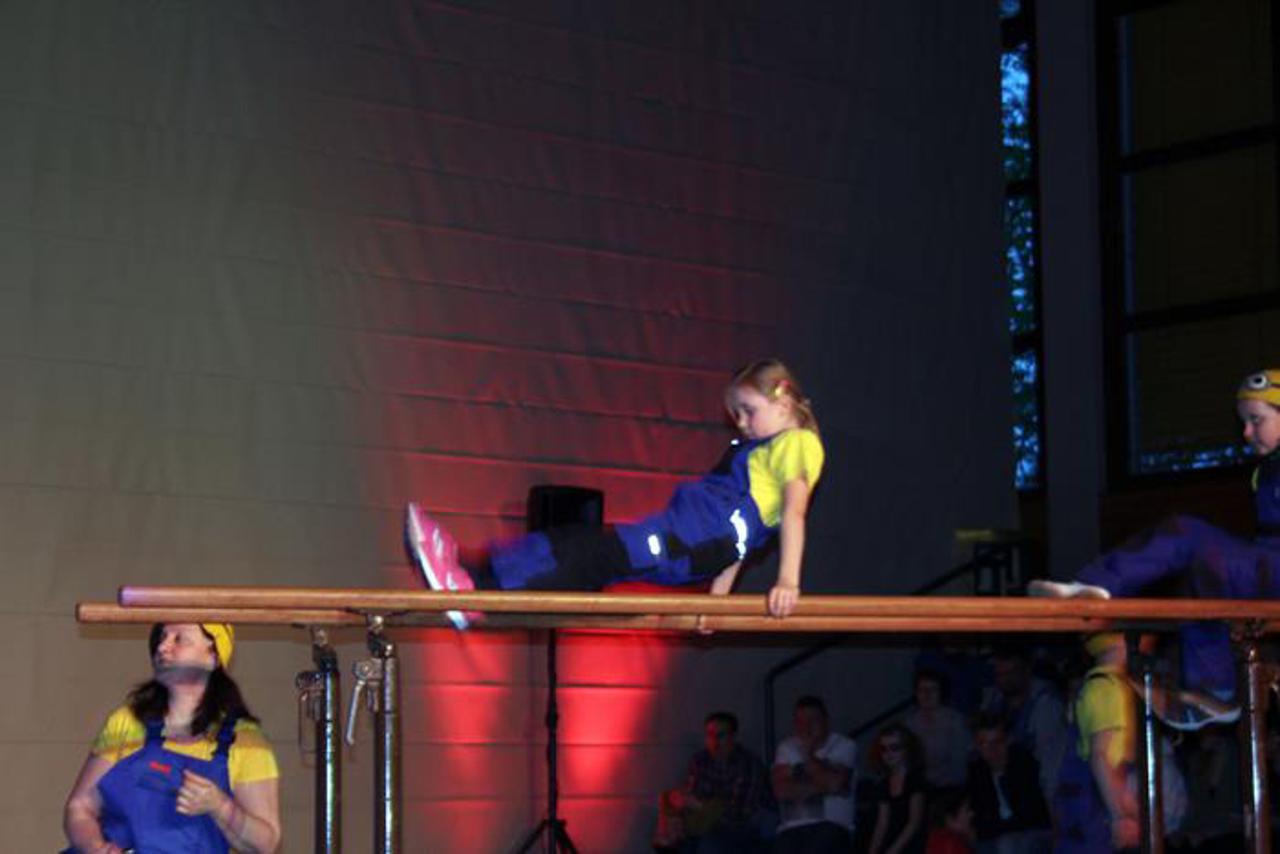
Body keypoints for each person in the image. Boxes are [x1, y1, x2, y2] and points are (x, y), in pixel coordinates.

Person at [405, 358, 824, 629]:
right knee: (579, 546)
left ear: (783, 399)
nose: (743, 424)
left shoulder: (797, 443)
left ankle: (476, 590)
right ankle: (472, 576)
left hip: (686, 541)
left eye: (749, 411)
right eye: (737, 415)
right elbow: (743, 539)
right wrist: (718, 602)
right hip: (685, 536)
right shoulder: (759, 451)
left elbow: (791, 514)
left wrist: (788, 581)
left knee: (584, 555)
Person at [1030, 368, 1280, 708]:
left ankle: (1097, 584)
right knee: (1202, 570)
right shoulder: (1264, 471)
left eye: (1256, 420)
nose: (1247, 432)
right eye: (1244, 423)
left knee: (1188, 534)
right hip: (1265, 563)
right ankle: (1215, 691)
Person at [63, 623, 281, 854]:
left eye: (179, 639)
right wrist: (97, 848)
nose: (162, 647)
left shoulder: (246, 742)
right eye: (162, 637)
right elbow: (80, 807)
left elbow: (266, 844)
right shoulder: (126, 722)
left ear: (213, 657)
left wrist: (220, 807)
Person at [1053, 633, 1186, 854]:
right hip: (1103, 809)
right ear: (1121, 644)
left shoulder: (1111, 685)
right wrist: (1120, 815)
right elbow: (1101, 756)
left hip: (1103, 804)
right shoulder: (1107, 688)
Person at [656, 711, 775, 853]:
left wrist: (698, 805)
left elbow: (739, 814)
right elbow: (694, 793)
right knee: (671, 812)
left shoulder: (749, 763)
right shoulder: (700, 760)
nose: (714, 741)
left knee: (710, 843)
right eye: (710, 735)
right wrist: (680, 800)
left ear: (733, 737)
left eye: (721, 735)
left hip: (744, 828)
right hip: (707, 821)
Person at [979, 646, 1066, 808]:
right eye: (1000, 674)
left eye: (1010, 673)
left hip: (1036, 789)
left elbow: (1051, 762)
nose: (1004, 679)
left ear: (1026, 670)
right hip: (1003, 786)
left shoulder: (1047, 704)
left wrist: (1050, 803)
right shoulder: (994, 699)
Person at [771, 695, 856, 853]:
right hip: (790, 829)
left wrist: (807, 757)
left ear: (826, 721)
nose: (806, 727)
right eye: (800, 721)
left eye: (813, 720)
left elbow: (835, 784)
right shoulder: (786, 748)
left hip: (833, 826)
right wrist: (823, 780)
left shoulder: (844, 745)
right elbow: (781, 791)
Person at [966, 712, 1050, 854]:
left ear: (1008, 740)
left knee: (1006, 844)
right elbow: (982, 816)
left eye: (997, 742)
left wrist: (989, 829)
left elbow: (1028, 817)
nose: (992, 749)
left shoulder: (1024, 765)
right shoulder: (977, 772)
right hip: (997, 836)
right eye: (984, 744)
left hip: (1033, 833)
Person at [903, 668, 972, 789]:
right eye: (922, 690)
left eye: (933, 689)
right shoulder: (910, 723)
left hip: (950, 788)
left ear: (941, 693)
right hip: (918, 788)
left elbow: (959, 766)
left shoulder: (955, 721)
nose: (927, 694)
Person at [867, 723, 927, 854]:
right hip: (892, 842)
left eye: (894, 748)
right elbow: (882, 823)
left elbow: (914, 823)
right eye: (883, 749)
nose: (888, 753)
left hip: (914, 844)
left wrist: (892, 851)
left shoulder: (916, 780)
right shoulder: (883, 784)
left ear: (907, 749)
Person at [925, 788, 977, 854]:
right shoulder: (950, 844)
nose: (972, 814)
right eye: (967, 810)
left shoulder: (936, 837)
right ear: (950, 817)